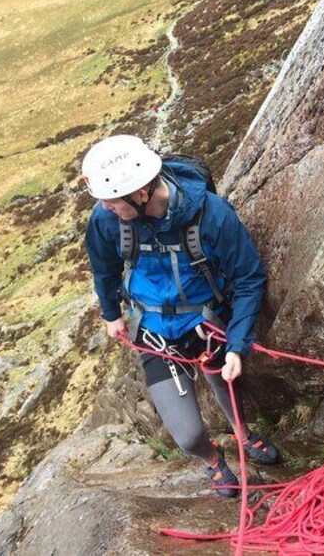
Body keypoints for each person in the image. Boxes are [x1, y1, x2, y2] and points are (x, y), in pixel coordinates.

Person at [83, 135, 279, 498]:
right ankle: (211, 458)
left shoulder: (212, 215)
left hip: (207, 322)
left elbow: (249, 279)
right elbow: (104, 268)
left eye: (112, 202)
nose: (105, 208)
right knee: (187, 435)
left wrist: (237, 346)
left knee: (225, 383)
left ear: (141, 194)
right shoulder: (107, 220)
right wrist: (112, 314)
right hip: (153, 327)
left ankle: (243, 434)